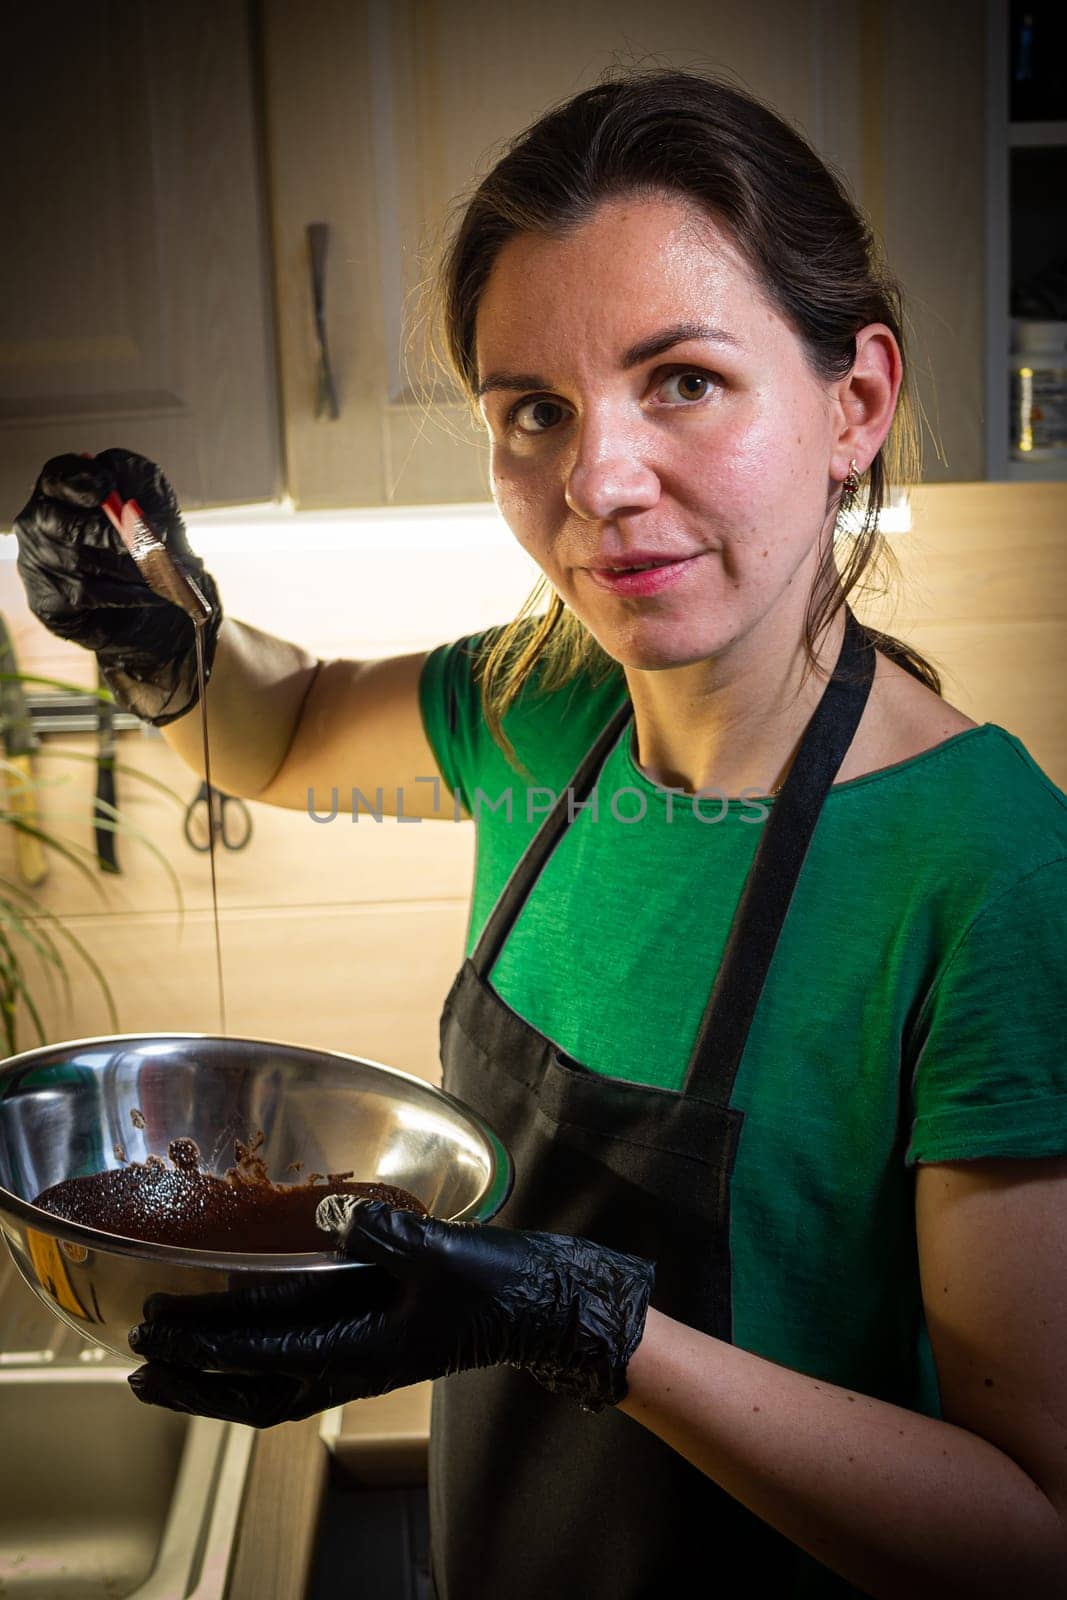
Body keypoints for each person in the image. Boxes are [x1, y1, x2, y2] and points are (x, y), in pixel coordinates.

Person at [13, 68, 1067, 1600]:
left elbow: (1028, 1536)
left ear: (857, 404)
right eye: (535, 411)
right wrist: (163, 635)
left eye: (685, 381)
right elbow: (283, 730)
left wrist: (591, 1329)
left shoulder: (992, 874)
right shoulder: (543, 707)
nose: (599, 482)